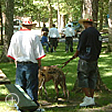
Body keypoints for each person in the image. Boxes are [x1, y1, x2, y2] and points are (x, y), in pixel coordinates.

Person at [62, 15, 102, 107]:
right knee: (92, 78)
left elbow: (80, 46)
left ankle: (88, 98)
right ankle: (91, 97)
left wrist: (75, 55)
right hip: (94, 59)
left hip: (85, 59)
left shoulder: (85, 33)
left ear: (85, 23)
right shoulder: (97, 33)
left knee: (83, 77)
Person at [7, 18, 46, 111]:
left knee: (20, 86)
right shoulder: (34, 35)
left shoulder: (16, 35)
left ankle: (20, 106)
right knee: (31, 85)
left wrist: (16, 61)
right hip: (31, 63)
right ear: (31, 26)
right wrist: (39, 64)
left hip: (20, 63)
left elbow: (12, 52)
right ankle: (32, 106)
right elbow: (38, 52)